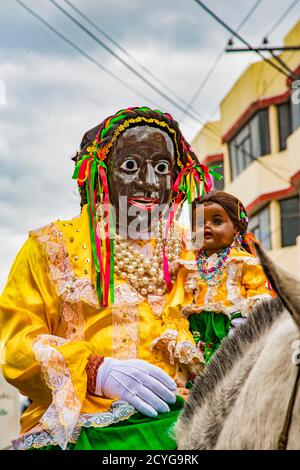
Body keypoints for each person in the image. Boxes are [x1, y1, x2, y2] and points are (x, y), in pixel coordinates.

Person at [0, 106, 214, 450]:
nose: (148, 182)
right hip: (87, 431)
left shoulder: (194, 253)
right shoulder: (51, 247)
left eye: (162, 168)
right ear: (101, 172)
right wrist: (97, 372)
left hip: (190, 426)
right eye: (130, 166)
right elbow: (17, 347)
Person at [152, 190, 274, 371]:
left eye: (217, 221)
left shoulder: (243, 262)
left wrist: (242, 326)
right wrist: (178, 329)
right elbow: (177, 302)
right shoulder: (188, 266)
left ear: (237, 229)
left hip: (230, 326)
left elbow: (259, 295)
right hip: (197, 331)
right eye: (199, 223)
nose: (206, 227)